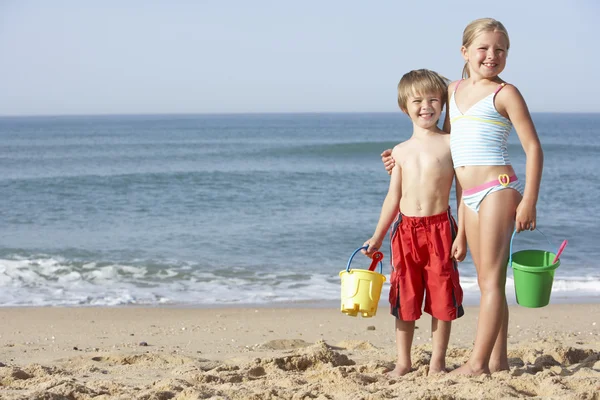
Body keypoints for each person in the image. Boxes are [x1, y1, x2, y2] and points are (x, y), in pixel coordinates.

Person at [381, 18, 544, 376]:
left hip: (497, 189)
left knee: (489, 281)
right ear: (465, 51)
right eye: (484, 48)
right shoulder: (452, 91)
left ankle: (476, 365)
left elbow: (533, 148)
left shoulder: (506, 93)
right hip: (468, 195)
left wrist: (528, 199)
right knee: (492, 283)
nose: (492, 55)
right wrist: (403, 157)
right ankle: (498, 361)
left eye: (500, 50)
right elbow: (443, 141)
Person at [363, 69, 466, 377]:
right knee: (404, 296)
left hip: (440, 229)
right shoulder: (400, 151)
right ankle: (403, 362)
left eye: (434, 99)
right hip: (406, 231)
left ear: (443, 105)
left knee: (442, 295)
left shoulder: (451, 143)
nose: (426, 106)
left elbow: (462, 191)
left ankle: (437, 362)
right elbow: (392, 199)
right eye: (417, 100)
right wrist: (377, 236)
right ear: (404, 106)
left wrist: (463, 234)